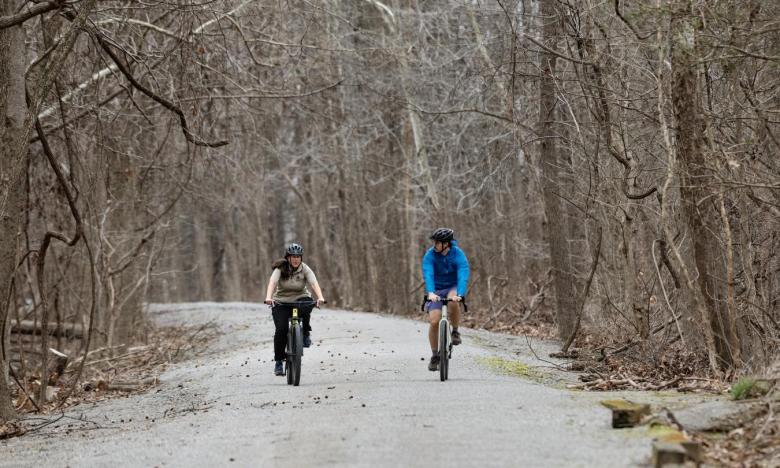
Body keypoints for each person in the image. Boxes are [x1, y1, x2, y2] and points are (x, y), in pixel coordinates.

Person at [264, 243, 326, 376]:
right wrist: (268, 297)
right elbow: (272, 283)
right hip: (281, 302)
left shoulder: (305, 268)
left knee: (308, 304)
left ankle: (305, 333)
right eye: (293, 257)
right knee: (281, 330)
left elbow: (314, 283)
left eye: (298, 256)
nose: (296, 259)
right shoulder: (280, 269)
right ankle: (279, 361)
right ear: (288, 258)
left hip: (300, 299)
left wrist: (320, 297)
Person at [422, 228, 470, 371]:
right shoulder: (429, 255)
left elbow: (463, 273)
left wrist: (460, 294)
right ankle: (435, 355)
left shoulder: (458, 254)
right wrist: (430, 292)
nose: (434, 245)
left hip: (452, 287)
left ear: (446, 243)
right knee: (434, 321)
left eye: (437, 242)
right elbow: (428, 274)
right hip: (436, 289)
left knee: (453, 302)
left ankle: (455, 331)